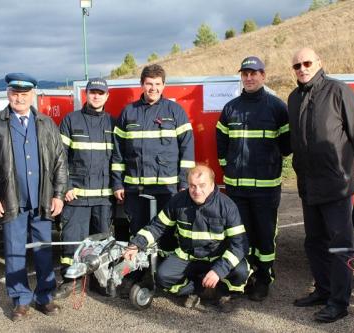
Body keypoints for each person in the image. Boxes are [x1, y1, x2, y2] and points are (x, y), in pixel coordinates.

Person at [288, 48, 354, 323]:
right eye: (297, 65)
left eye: (307, 62)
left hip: (336, 184)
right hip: (309, 186)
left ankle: (339, 302)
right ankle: (322, 291)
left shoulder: (338, 91)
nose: (302, 68)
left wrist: (349, 166)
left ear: (319, 63)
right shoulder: (293, 98)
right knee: (314, 243)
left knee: (339, 246)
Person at [0, 73, 68, 321]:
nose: (19, 98)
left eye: (24, 94)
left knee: (43, 250)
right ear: (8, 95)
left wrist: (58, 194)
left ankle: (45, 297)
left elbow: (60, 161)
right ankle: (20, 299)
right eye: (15, 94)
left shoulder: (46, 123)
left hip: (42, 199)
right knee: (15, 251)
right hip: (10, 200)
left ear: (33, 95)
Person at [123, 165, 249, 312]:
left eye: (202, 185)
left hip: (217, 257)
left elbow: (240, 245)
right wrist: (136, 245)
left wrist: (219, 270)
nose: (197, 191)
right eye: (192, 186)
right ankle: (197, 289)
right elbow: (157, 227)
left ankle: (224, 292)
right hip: (189, 256)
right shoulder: (178, 202)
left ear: (212, 185)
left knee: (241, 271)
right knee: (162, 277)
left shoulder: (227, 206)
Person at [216, 56, 291, 301]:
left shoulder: (277, 107)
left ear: (263, 76)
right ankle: (244, 276)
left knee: (265, 235)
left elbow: (287, 145)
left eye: (254, 73)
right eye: (245, 74)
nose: (249, 78)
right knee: (241, 236)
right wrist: (229, 169)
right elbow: (221, 143)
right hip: (237, 189)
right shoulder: (231, 108)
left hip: (266, 189)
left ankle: (264, 277)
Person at [112, 64, 195, 254]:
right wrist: (117, 184)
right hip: (136, 191)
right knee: (138, 234)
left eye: (158, 84)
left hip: (167, 190)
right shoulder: (128, 113)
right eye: (149, 83)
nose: (153, 88)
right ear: (142, 84)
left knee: (167, 234)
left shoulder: (175, 111)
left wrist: (184, 183)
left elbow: (187, 150)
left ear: (164, 85)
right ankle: (140, 275)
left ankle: (165, 277)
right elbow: (118, 153)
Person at [55, 78, 114, 297]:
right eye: (92, 92)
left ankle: (99, 280)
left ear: (107, 96)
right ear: (85, 95)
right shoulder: (71, 121)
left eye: (101, 92)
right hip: (76, 196)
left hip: (104, 197)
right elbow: (59, 158)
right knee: (72, 240)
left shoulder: (113, 124)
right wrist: (66, 186)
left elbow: (118, 159)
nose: (96, 96)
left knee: (102, 243)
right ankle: (70, 280)